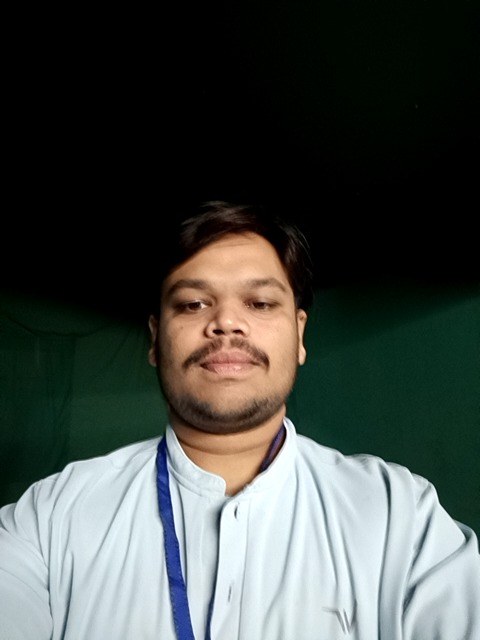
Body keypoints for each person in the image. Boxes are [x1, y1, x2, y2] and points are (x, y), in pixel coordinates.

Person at [0, 200, 479, 640]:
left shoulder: (402, 517)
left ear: (299, 335)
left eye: (260, 303)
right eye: (193, 304)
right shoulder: (50, 517)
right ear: (155, 339)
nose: (226, 322)